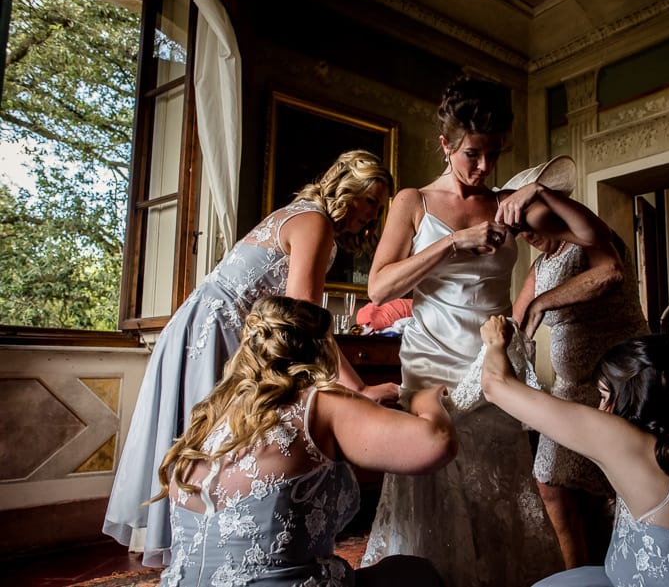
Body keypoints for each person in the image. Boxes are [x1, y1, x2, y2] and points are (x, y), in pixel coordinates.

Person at [361, 76, 604, 586]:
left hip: (494, 362)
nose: (484, 168)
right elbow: (379, 289)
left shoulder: (508, 202)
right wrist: (454, 243)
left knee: (498, 487)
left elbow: (589, 236)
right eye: (472, 153)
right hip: (429, 365)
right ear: (446, 144)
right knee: (434, 486)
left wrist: (538, 192)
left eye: (493, 154)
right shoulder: (414, 201)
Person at [104, 149, 397, 566]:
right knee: (212, 434)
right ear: (345, 187)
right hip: (216, 328)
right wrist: (358, 389)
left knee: (219, 436)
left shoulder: (308, 217)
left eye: (379, 207)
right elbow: (303, 321)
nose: (372, 214)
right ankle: (197, 545)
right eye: (370, 200)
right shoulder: (313, 221)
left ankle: (212, 541)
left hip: (228, 330)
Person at [153, 295, 457, 586]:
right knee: (413, 572)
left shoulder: (214, 412)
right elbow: (438, 443)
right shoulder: (319, 403)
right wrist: (426, 400)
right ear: (323, 349)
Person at [479, 317, 669, 587]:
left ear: (636, 396)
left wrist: (495, 343)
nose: (600, 410)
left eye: (605, 396)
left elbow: (494, 385)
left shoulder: (629, 444)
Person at [513, 219, 649, 568]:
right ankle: (578, 574)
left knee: (620, 486)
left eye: (530, 223)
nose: (527, 234)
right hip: (570, 390)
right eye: (520, 230)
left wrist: (544, 302)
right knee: (551, 484)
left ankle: (634, 566)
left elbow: (607, 275)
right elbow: (515, 321)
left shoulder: (591, 239)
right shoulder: (539, 266)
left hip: (621, 385)